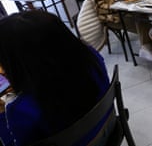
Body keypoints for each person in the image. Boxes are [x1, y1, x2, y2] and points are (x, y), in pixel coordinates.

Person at [0, 11, 110, 145]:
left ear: (20, 62)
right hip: (106, 131)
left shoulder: (20, 110)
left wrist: (3, 115)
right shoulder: (91, 58)